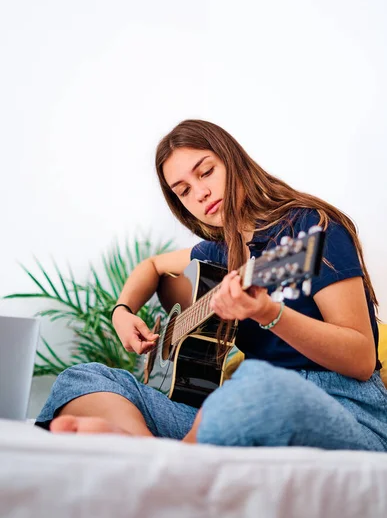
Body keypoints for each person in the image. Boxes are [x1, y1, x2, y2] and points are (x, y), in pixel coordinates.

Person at [35, 119, 387, 450]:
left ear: (233, 160)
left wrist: (269, 312)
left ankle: (158, 457)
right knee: (81, 378)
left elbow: (361, 360)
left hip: (344, 409)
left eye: (206, 172)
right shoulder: (217, 251)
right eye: (184, 191)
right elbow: (152, 265)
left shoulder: (312, 227)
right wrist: (122, 312)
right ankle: (147, 452)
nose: (200, 193)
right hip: (235, 411)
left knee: (253, 387)